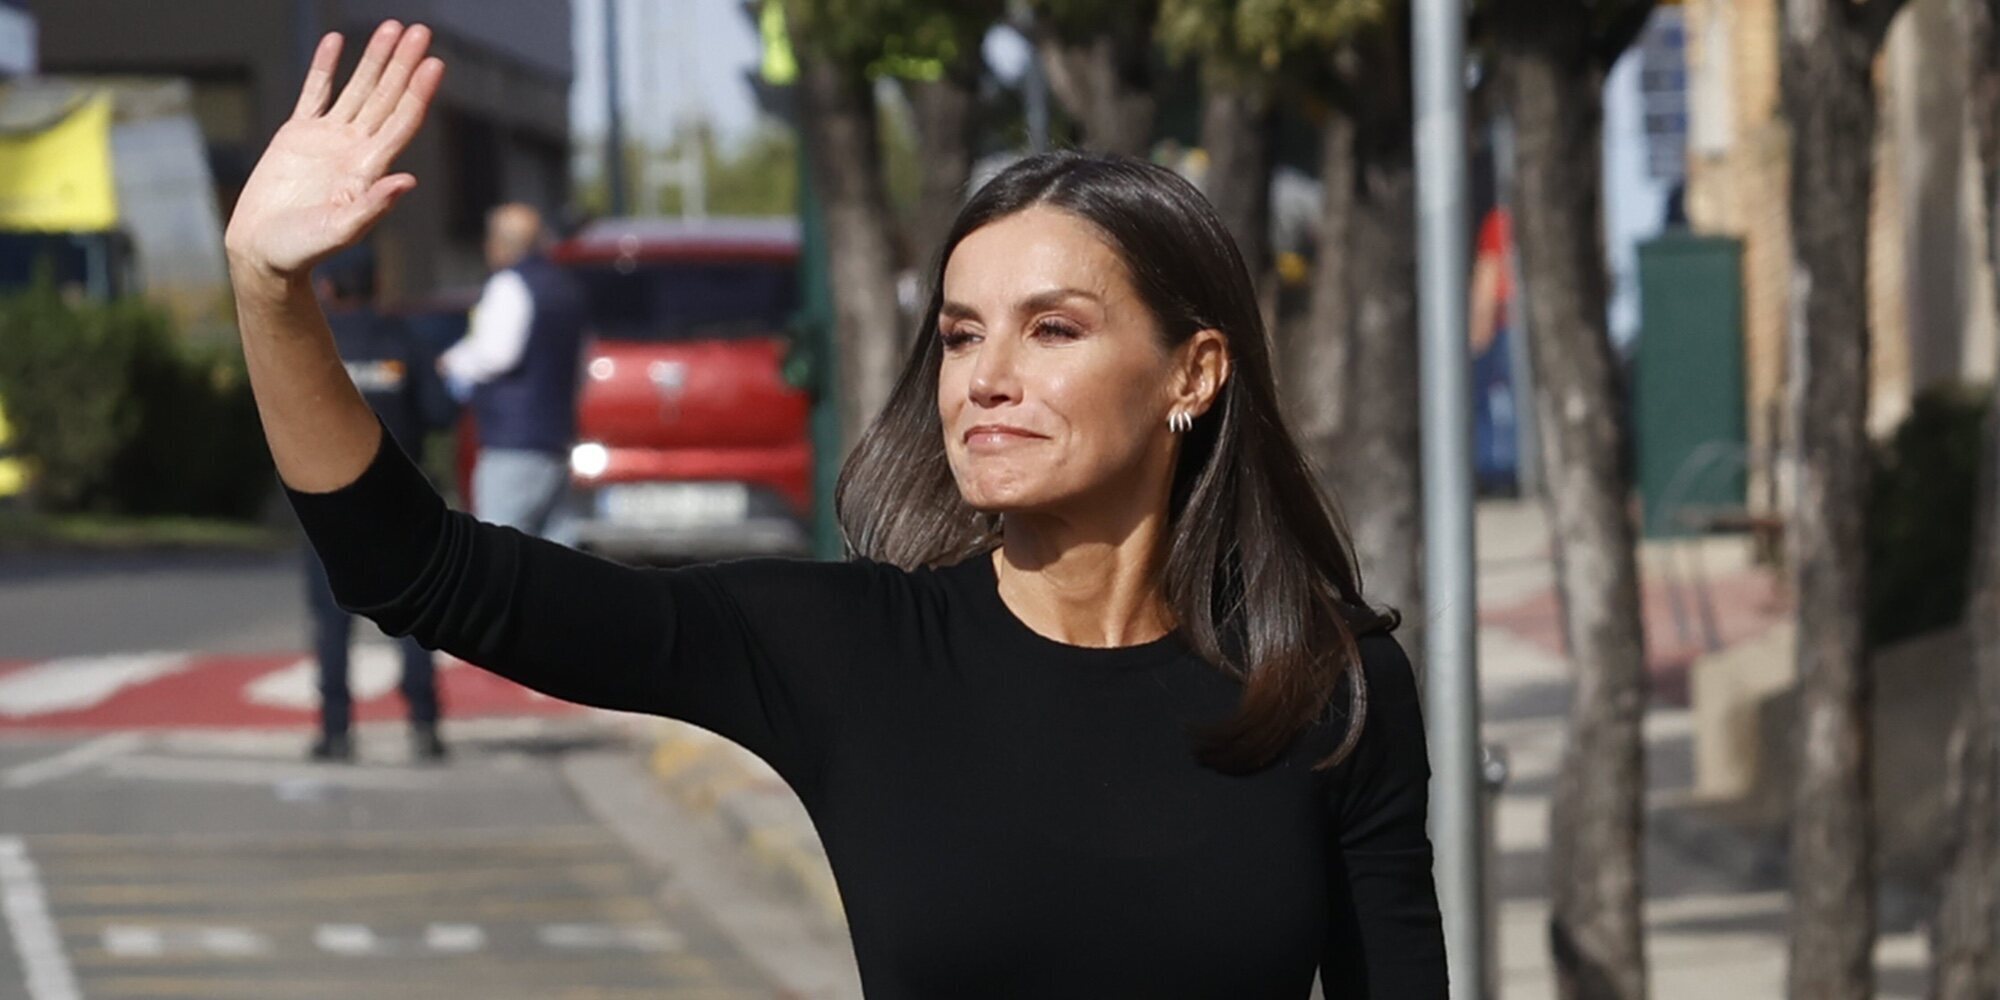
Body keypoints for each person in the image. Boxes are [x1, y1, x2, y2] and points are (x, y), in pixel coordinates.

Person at [224, 21, 1445, 997]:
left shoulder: (1328, 687)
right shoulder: (847, 651)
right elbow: (417, 570)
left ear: (1193, 371)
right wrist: (271, 292)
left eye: (1052, 329)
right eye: (962, 334)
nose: (985, 376)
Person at [305, 242, 455, 762]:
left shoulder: (314, 346)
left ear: (327, 288)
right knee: (413, 618)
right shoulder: (404, 339)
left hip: (327, 505)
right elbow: (440, 411)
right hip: (398, 499)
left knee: (331, 623)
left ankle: (336, 731)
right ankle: (425, 725)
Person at [437, 201, 587, 536]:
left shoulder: (509, 285)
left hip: (513, 440)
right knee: (558, 550)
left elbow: (497, 354)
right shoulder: (566, 287)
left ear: (502, 244)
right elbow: (581, 366)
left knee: (502, 550)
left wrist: (454, 362)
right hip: (558, 438)